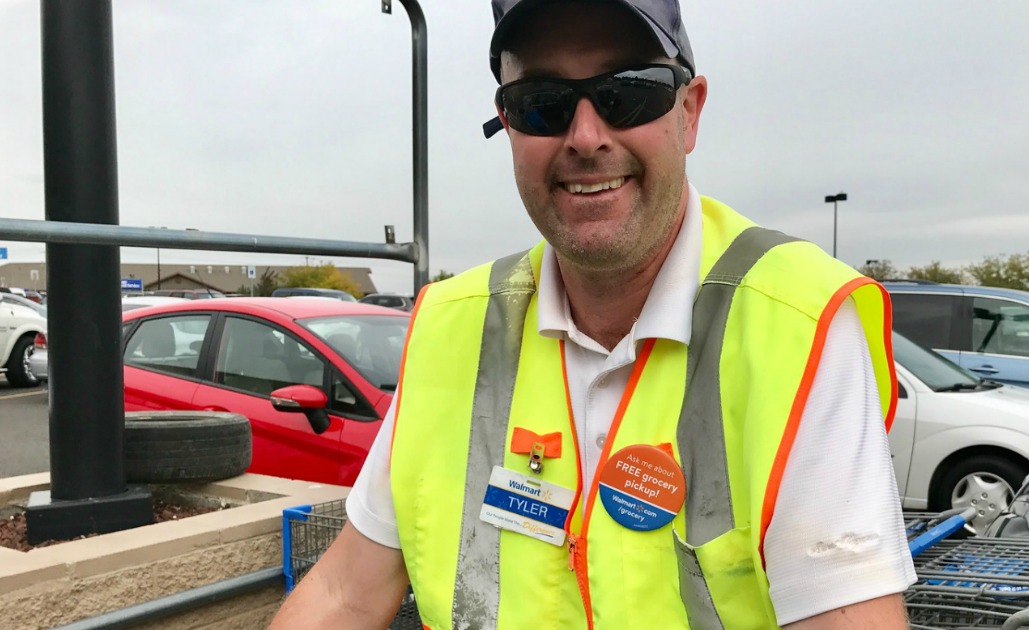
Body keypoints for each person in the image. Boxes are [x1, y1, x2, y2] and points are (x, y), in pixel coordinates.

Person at [271, 0, 915, 627]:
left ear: (688, 112)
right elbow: (343, 594)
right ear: (509, 124)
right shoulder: (452, 325)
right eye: (542, 102)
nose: (584, 137)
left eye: (628, 91)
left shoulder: (796, 321)